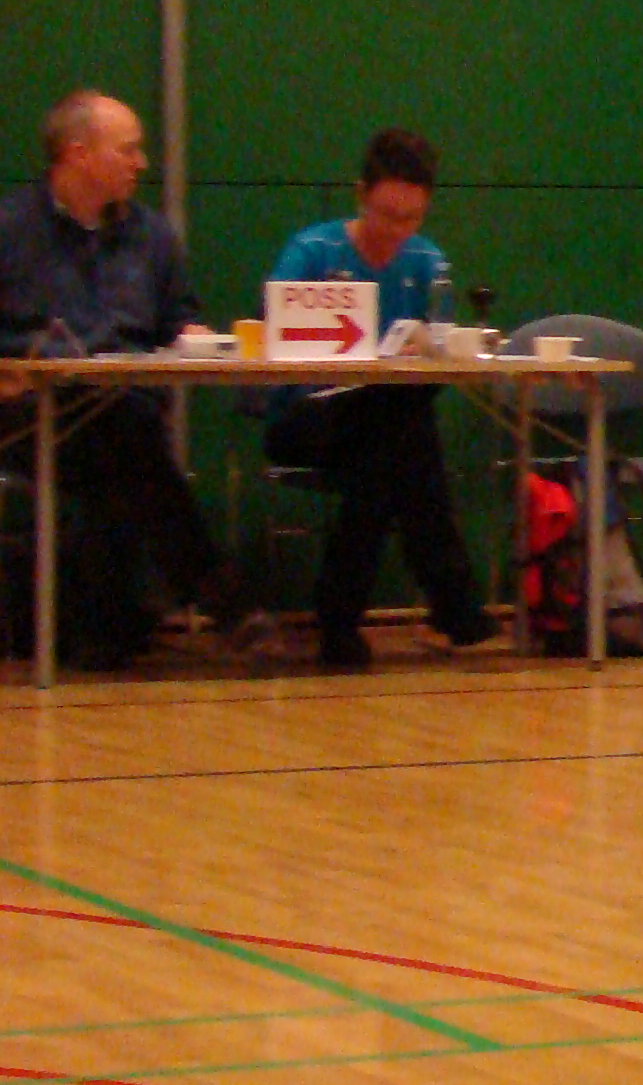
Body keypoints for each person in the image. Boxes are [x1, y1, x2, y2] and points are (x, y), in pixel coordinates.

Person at [0, 91, 252, 668]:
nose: (142, 163)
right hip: (29, 414)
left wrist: (193, 335)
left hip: (125, 409)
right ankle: (224, 602)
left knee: (123, 442)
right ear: (78, 153)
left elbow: (178, 319)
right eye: (129, 150)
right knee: (130, 443)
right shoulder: (10, 230)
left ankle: (105, 633)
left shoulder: (153, 237)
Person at [262, 129, 502, 671]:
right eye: (387, 215)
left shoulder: (427, 262)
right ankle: (454, 600)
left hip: (381, 421)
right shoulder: (312, 251)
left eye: (411, 218)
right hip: (308, 414)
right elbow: (275, 323)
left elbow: (438, 341)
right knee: (402, 438)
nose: (398, 230)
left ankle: (339, 624)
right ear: (360, 195)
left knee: (383, 455)